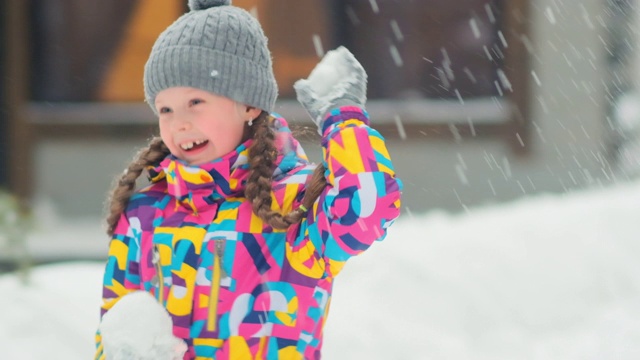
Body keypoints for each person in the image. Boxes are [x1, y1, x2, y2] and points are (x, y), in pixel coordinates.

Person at [95, 0, 402, 359]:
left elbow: (367, 210)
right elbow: (116, 325)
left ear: (249, 105)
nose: (179, 122)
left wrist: (343, 118)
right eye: (165, 108)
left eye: (196, 101)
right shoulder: (145, 214)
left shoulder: (293, 205)